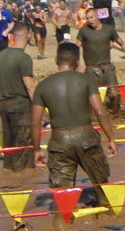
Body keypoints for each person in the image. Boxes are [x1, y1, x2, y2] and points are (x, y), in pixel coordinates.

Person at [31, 43, 117, 214]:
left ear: (56, 60)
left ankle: (62, 224)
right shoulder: (86, 80)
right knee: (102, 187)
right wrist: (111, 139)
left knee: (62, 198)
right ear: (78, 62)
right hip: (87, 138)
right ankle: (107, 214)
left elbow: (35, 122)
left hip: (59, 142)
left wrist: (36, 149)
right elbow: (100, 112)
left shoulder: (43, 86)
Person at [76, 8, 125, 114]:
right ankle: (94, 117)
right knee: (93, 97)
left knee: (114, 94)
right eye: (87, 18)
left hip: (107, 67)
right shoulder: (84, 31)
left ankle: (116, 115)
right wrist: (77, 65)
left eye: (91, 17)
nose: (90, 20)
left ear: (97, 16)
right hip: (92, 68)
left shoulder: (109, 29)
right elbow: (76, 48)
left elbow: (122, 44)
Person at [0, 23, 35, 171]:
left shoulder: (1, 55)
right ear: (29, 35)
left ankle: (10, 176)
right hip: (21, 107)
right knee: (24, 149)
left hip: (3, 106)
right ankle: (24, 178)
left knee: (9, 147)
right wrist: (39, 109)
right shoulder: (24, 58)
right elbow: (30, 86)